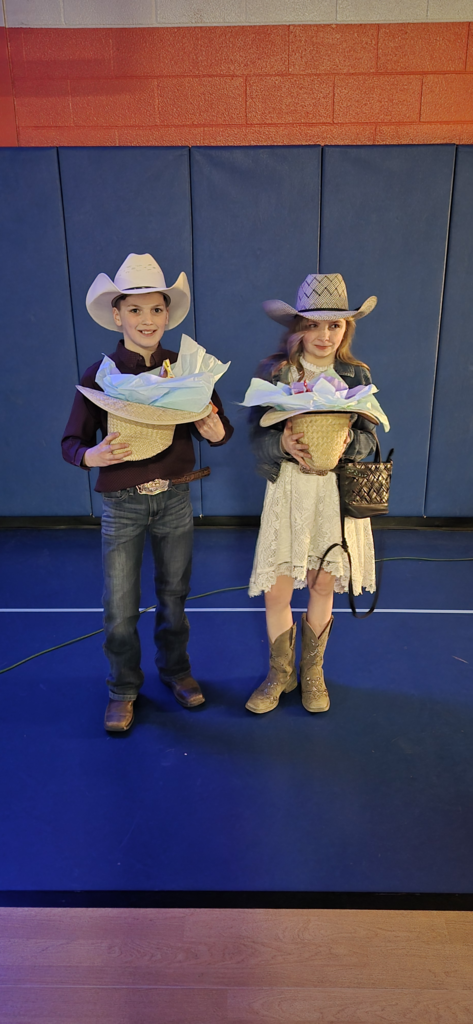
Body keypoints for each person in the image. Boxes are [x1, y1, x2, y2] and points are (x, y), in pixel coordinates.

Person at [62, 253, 233, 732]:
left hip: (175, 500)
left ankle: (176, 670)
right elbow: (71, 442)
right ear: (117, 315)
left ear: (168, 315)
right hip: (122, 506)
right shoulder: (100, 374)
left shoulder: (187, 369)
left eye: (156, 309)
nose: (147, 319)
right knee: (119, 605)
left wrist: (214, 428)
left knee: (174, 596)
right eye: (135, 310)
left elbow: (219, 430)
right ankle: (122, 687)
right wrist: (90, 456)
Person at [245, 273, 378, 715]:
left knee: (323, 584)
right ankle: (279, 673)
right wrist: (281, 444)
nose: (324, 335)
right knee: (276, 590)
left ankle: (312, 672)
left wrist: (348, 444)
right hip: (290, 491)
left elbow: (369, 439)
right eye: (313, 325)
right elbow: (256, 439)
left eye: (335, 325)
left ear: (346, 329)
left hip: (333, 494)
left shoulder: (356, 374)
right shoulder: (277, 372)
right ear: (297, 327)